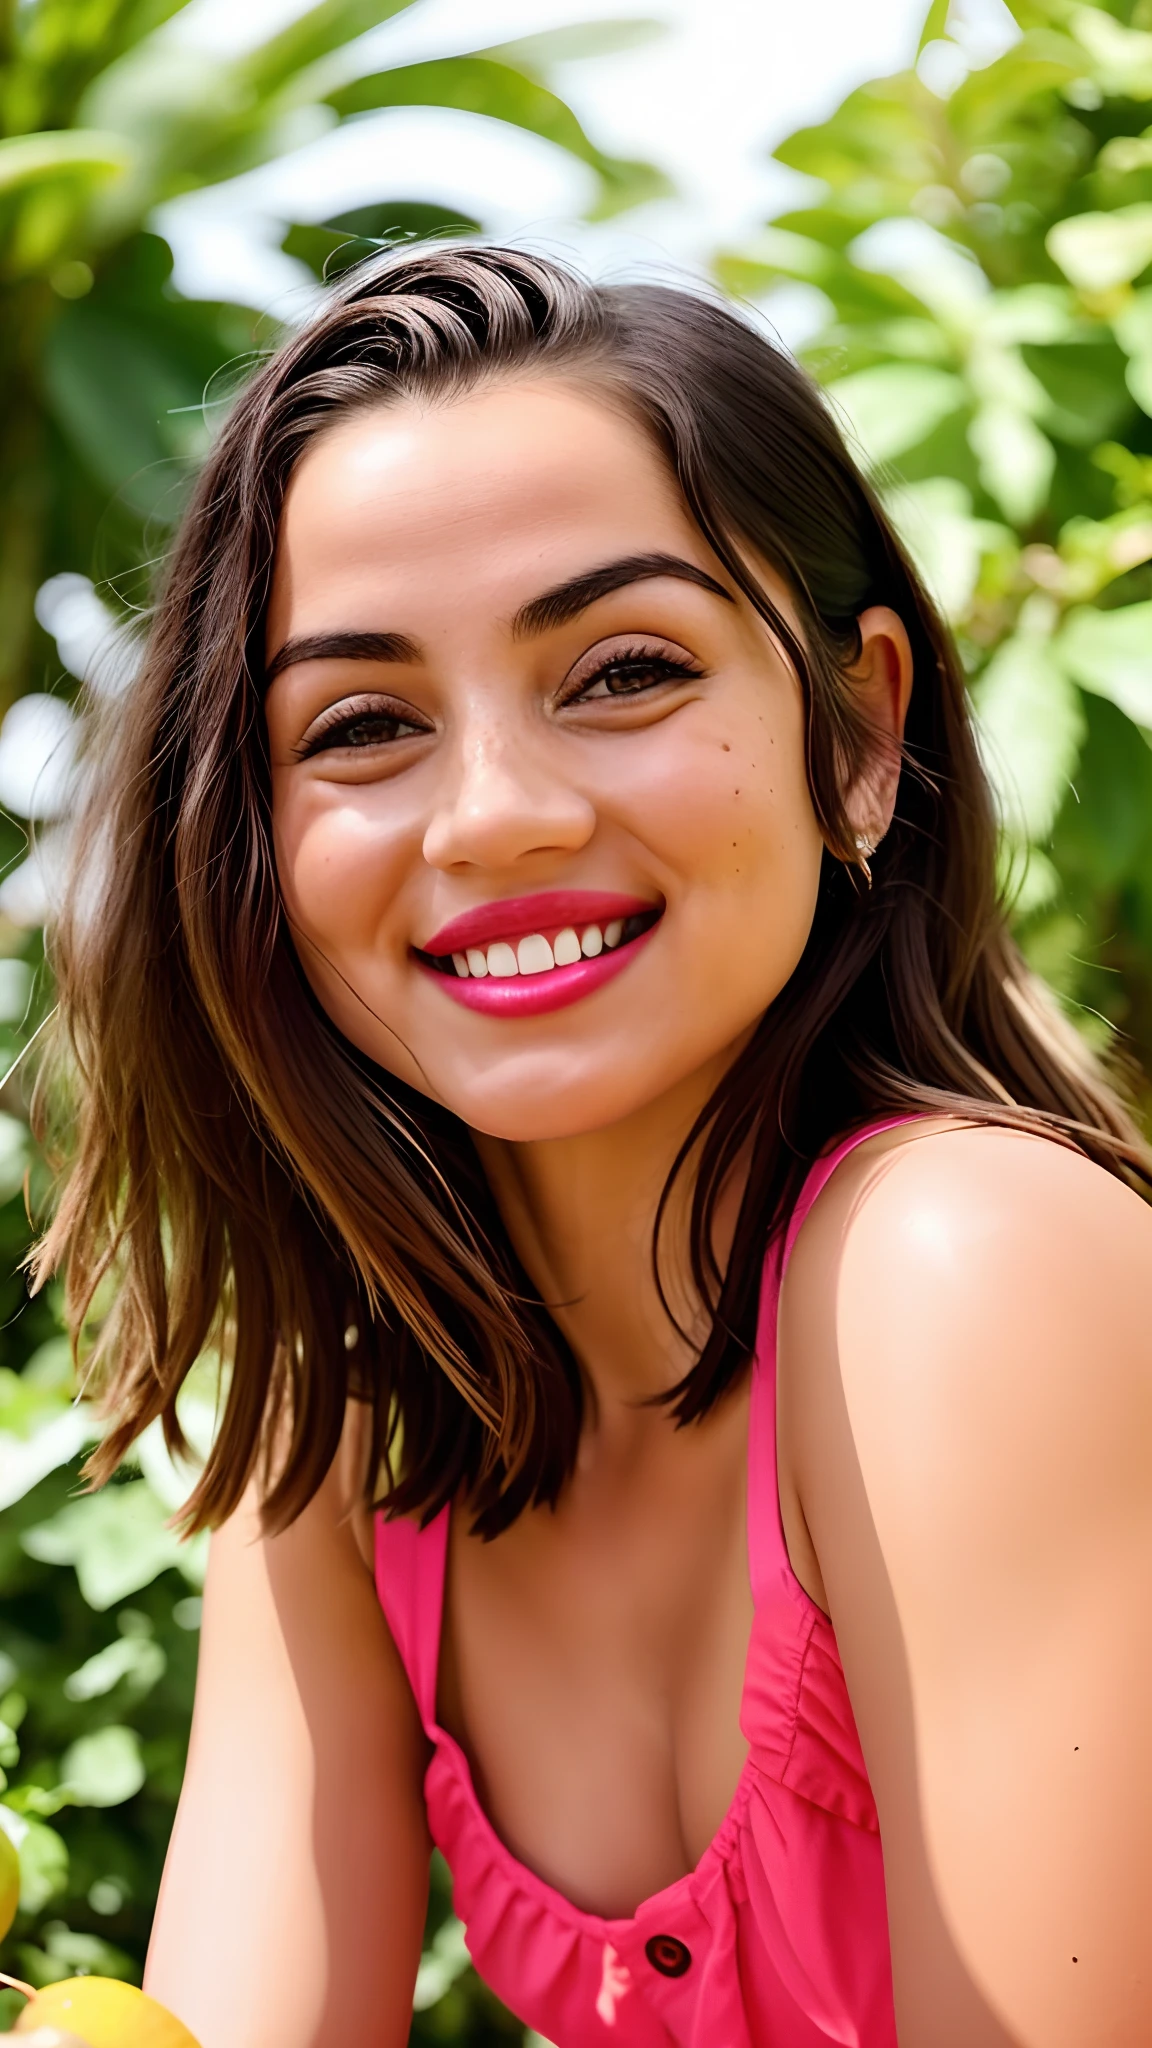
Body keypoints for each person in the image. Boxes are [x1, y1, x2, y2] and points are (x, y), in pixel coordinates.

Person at [36, 247, 1152, 2048]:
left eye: (622, 671)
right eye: (364, 724)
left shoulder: (973, 1271)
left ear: (859, 734)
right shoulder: (352, 1438)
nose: (494, 815)